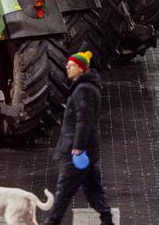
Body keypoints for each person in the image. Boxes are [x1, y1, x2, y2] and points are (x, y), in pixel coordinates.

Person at [45, 51, 113, 225]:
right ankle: (107, 219)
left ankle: (52, 222)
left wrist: (78, 147)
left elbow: (84, 121)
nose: (67, 67)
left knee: (64, 188)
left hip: (77, 150)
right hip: (86, 149)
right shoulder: (84, 87)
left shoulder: (84, 90)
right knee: (93, 189)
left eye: (72, 65)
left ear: (81, 69)